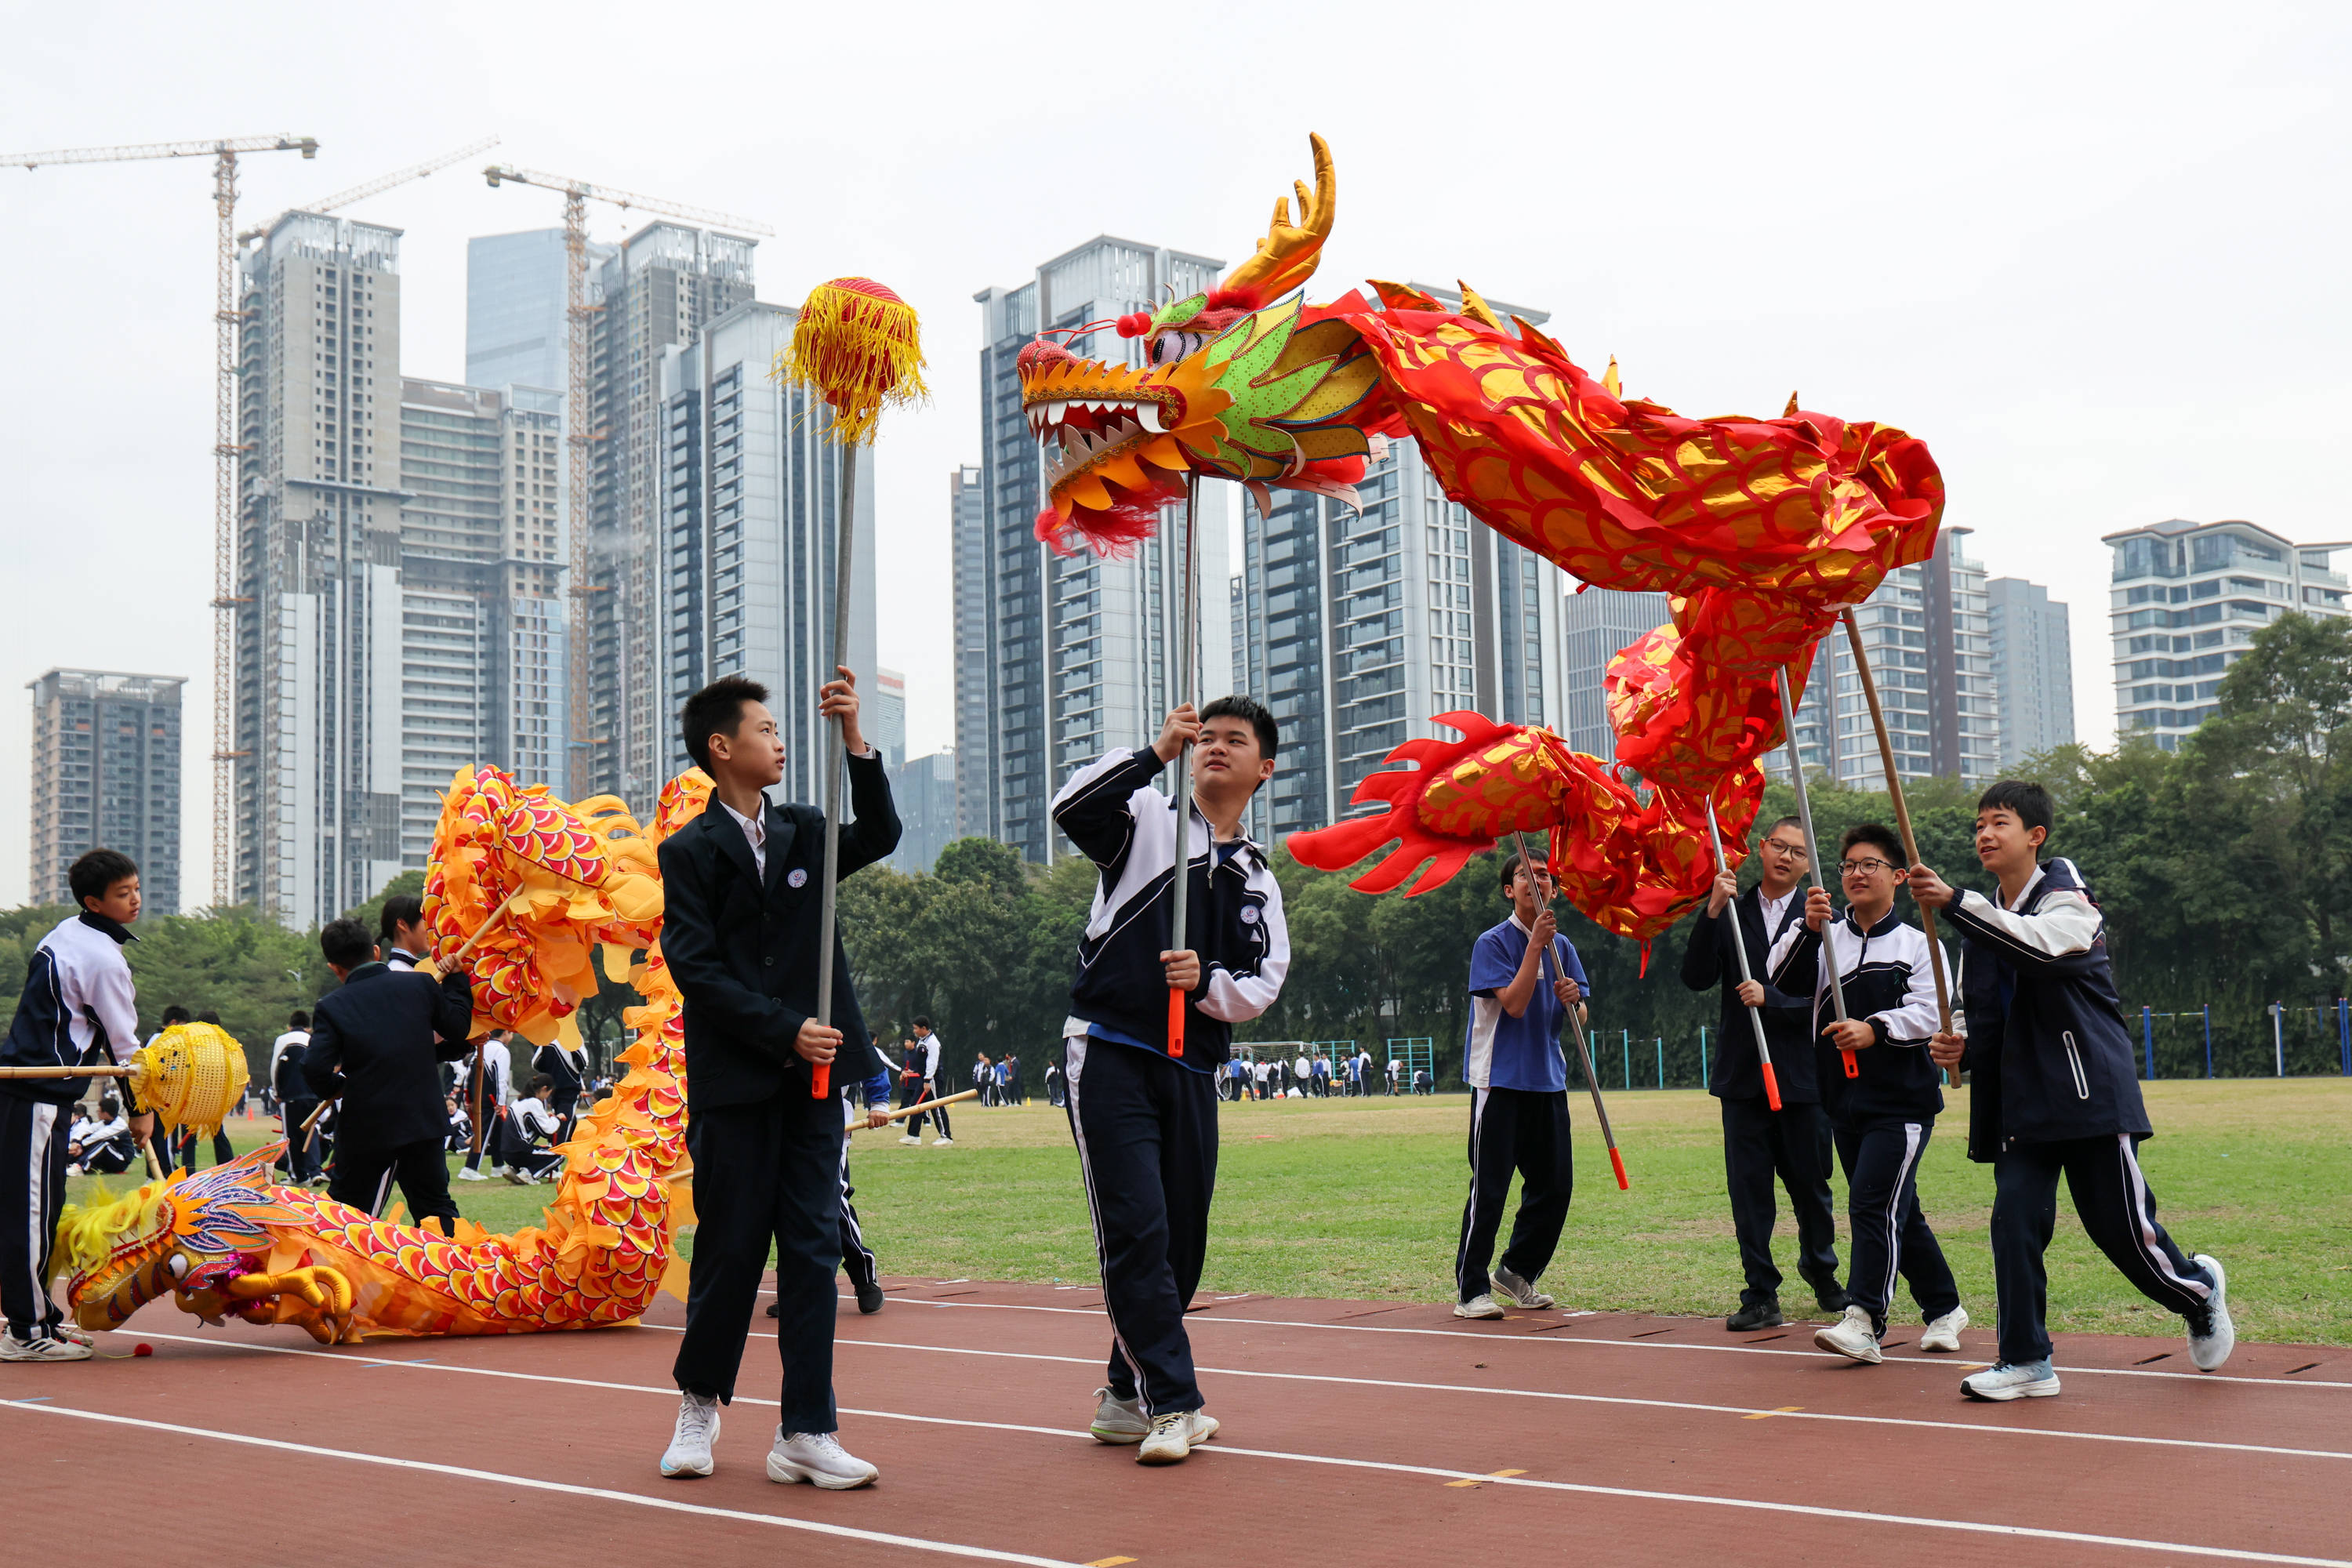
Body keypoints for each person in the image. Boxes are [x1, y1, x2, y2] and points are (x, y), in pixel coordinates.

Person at [1911, 782, 2233, 1399]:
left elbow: (2042, 950)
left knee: (2122, 1235)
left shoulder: (2069, 900)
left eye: (1999, 822)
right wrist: (1962, 1047)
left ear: (2036, 836)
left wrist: (1955, 901)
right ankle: (2027, 1359)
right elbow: (1982, 1013)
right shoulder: (1977, 923)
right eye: (1978, 825)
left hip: (2087, 1095)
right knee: (2014, 1223)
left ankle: (2197, 1293)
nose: (1984, 834)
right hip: (2021, 1107)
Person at [656, 670, 897, 1490]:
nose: (780, 739)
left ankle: (807, 1428)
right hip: (736, 1079)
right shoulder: (688, 852)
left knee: (811, 1248)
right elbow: (696, 969)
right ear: (722, 747)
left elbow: (883, 832)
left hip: (814, 1080)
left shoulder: (804, 830)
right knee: (730, 1249)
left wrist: (855, 737)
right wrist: (782, 1026)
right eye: (764, 728)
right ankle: (699, 1402)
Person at [1052, 695, 1288, 1466]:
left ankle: (1124, 1393)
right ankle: (1175, 1402)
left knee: (1182, 1241)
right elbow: (1070, 807)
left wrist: (1205, 980)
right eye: (1205, 736)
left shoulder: (1257, 876)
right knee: (1137, 1230)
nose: (1215, 746)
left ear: (1264, 767)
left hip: (1192, 1065)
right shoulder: (1146, 819)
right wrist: (1153, 754)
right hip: (1111, 1048)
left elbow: (1264, 980)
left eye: (1235, 740)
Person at [1767, 823, 1967, 1367]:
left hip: (1901, 1103)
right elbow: (1778, 980)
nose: (1856, 873)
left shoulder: (1919, 943)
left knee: (1871, 1203)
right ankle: (1945, 1307)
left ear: (1898, 876)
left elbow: (1931, 1011)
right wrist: (1808, 930)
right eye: (1849, 865)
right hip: (1842, 1100)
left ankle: (1864, 1319)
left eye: (1870, 864)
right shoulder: (1824, 936)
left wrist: (1874, 1028)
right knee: (1898, 1207)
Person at [1679, 815, 1847, 1330]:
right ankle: (1760, 1293)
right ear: (1761, 847)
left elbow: (1832, 998)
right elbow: (1696, 977)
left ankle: (1822, 1271)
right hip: (1743, 1076)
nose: (1786, 857)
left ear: (1809, 864)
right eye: (1779, 845)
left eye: (1798, 852)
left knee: (1811, 1186)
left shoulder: (1821, 916)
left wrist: (1771, 998)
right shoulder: (1732, 908)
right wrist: (1711, 910)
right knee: (1749, 1191)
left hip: (1802, 1076)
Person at [2, 848, 151, 1361]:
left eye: (136, 889)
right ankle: (27, 1332)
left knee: (43, 1212)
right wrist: (141, 1110)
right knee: (29, 1215)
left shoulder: (67, 933)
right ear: (94, 902)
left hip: (44, 1098)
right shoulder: (102, 958)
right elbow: (124, 1047)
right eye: (122, 894)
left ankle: (39, 1319)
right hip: (36, 1096)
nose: (134, 900)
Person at [1454, 851, 1590, 1319]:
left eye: (1544, 874)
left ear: (1555, 888)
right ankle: (1471, 1289)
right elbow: (1513, 1005)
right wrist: (1535, 947)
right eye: (1524, 874)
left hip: (1548, 1081)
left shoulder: (1563, 947)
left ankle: (1517, 1271)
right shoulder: (1492, 943)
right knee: (1490, 1189)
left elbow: (1579, 1016)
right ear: (1509, 890)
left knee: (1555, 1187)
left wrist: (1575, 1000)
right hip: (1499, 1082)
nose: (1536, 879)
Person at [303, 916, 475, 1231]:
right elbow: (458, 1029)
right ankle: (449, 1261)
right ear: (375, 951)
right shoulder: (421, 985)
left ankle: (340, 1263)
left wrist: (336, 1086)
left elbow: (314, 1067)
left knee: (347, 1213)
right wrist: (456, 981)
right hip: (422, 1120)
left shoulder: (332, 1006)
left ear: (334, 968)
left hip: (367, 1125)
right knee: (435, 1208)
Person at [456, 1029, 514, 1181]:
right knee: (483, 1133)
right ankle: (470, 1168)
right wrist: (501, 1102)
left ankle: (498, 1166)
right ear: (506, 1033)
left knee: (497, 1131)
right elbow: (501, 1078)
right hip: (491, 1099)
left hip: (477, 1095)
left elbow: (469, 1074)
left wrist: (468, 1098)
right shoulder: (501, 1050)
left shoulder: (482, 1047)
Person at [505, 1075, 566, 1183]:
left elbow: (534, 1124)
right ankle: (529, 1174)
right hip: (520, 1151)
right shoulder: (534, 1102)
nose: (547, 1097)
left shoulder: (518, 1101)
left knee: (543, 1150)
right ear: (544, 1089)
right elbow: (548, 1130)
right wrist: (557, 1119)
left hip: (507, 1151)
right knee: (559, 1155)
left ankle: (515, 1169)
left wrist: (547, 1118)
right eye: (549, 1092)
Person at [532, 1037, 590, 1145]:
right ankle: (558, 1148)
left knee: (558, 1118)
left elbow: (536, 1063)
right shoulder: (573, 1037)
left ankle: (561, 1144)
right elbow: (583, 1063)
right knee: (564, 1120)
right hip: (570, 1086)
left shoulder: (546, 1036)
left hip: (551, 1086)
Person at [67, 1097, 134, 1176]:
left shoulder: (119, 1125)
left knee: (103, 1144)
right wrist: (75, 1142)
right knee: (86, 1141)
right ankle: (67, 1163)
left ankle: (79, 1166)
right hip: (108, 1159)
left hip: (121, 1160)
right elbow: (88, 1130)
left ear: (105, 1113)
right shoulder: (104, 1122)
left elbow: (98, 1137)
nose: (97, 1113)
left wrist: (80, 1145)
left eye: (98, 1111)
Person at [379, 893, 430, 971]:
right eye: (425, 921)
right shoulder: (397, 971)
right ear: (402, 924)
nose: (430, 928)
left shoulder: (405, 968)